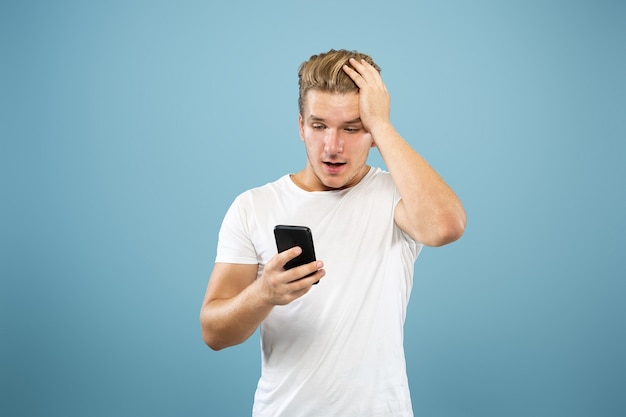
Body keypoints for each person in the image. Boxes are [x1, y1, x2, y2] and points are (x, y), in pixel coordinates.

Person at [200, 49, 466, 417]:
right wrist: (264, 293)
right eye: (319, 125)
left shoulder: (399, 198)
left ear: (371, 131)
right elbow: (214, 333)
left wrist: (383, 126)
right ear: (300, 126)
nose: (333, 147)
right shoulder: (253, 206)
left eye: (352, 128)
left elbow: (445, 226)